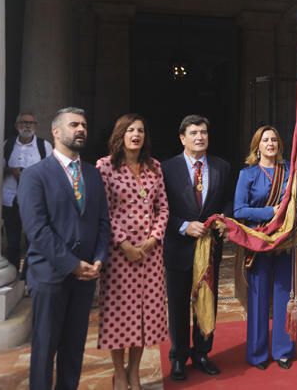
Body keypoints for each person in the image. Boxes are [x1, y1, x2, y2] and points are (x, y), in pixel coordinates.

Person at [17, 107, 110, 390]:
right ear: (56, 132)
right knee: (45, 348)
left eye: (83, 124)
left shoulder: (93, 175)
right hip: (50, 275)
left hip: (85, 278)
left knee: (74, 347)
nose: (81, 129)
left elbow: (103, 222)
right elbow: (37, 230)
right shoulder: (35, 175)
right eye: (74, 125)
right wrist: (71, 264)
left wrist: (98, 258)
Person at [96, 114, 169, 390]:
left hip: (150, 254)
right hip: (119, 254)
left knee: (144, 315)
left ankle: (135, 371)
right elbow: (104, 210)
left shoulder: (154, 167)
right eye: (130, 130)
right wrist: (124, 243)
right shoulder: (105, 167)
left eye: (140, 130)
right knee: (119, 314)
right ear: (120, 135)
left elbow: (163, 208)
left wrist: (152, 239)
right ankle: (119, 372)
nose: (136, 134)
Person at [162, 115, 234, 381]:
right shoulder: (166, 168)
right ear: (182, 138)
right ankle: (178, 357)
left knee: (207, 301)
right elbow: (160, 209)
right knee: (179, 304)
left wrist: (223, 219)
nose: (199, 137)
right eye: (193, 133)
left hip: (209, 248)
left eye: (203, 132)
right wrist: (183, 226)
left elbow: (228, 201)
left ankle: (203, 353)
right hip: (179, 247)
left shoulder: (221, 166)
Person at [233, 125, 294, 370]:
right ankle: (257, 353)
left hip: (284, 242)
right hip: (257, 243)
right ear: (257, 146)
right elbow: (239, 210)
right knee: (258, 298)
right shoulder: (247, 175)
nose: (270, 144)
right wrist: (270, 212)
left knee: (282, 296)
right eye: (265, 140)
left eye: (274, 140)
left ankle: (283, 350)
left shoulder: (289, 170)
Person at [2, 112, 52, 272]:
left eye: (31, 123)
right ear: (17, 126)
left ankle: (29, 277)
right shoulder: (7, 145)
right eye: (23, 122)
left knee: (33, 240)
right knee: (13, 241)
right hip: (10, 199)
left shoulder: (44, 146)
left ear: (36, 126)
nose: (27, 125)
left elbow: (50, 172)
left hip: (35, 201)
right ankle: (12, 274)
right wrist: (11, 171)